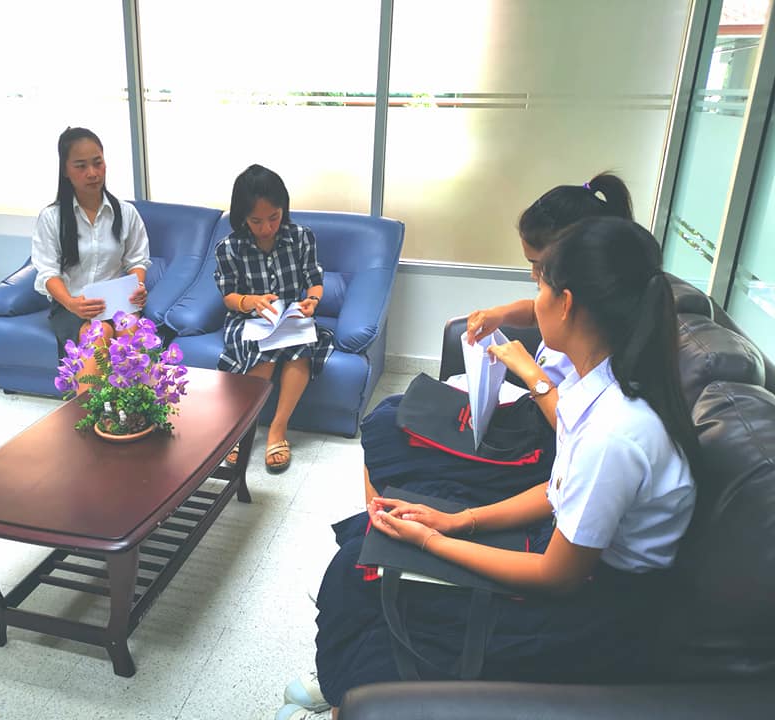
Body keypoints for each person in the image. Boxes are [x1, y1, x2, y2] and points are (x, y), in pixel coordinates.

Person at [276, 217, 700, 720]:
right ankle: (344, 689)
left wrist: (433, 544)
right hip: (575, 562)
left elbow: (556, 576)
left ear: (566, 303)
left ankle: (352, 697)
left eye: (541, 284)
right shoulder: (601, 390)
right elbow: (558, 490)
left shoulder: (615, 431)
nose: (534, 298)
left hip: (595, 614)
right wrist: (459, 522)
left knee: (369, 578)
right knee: (365, 550)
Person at [361, 173, 634, 508]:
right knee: (389, 411)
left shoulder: (602, 347)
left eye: (538, 268)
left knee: (385, 430)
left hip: (541, 444)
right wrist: (499, 315)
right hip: (527, 416)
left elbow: (576, 436)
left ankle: (377, 522)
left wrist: (531, 374)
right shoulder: (581, 306)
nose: (533, 277)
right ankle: (378, 520)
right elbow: (534, 311)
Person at [215, 164, 334, 473]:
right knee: (265, 352)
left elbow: (315, 281)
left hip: (291, 317)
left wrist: (312, 301)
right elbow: (228, 296)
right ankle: (243, 428)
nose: (266, 228)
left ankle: (278, 429)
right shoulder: (230, 248)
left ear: (284, 209)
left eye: (274, 217)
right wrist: (250, 301)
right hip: (248, 320)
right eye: (256, 221)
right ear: (242, 216)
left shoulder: (301, 237)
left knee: (300, 350)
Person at [31, 127, 151, 393]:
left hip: (117, 304)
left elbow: (137, 261)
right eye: (81, 166)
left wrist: (137, 288)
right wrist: (72, 304)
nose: (92, 173)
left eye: (98, 163)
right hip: (72, 305)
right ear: (65, 170)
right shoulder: (52, 218)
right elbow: (47, 272)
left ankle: (136, 410)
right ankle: (88, 413)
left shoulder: (126, 213)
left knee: (130, 332)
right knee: (98, 335)